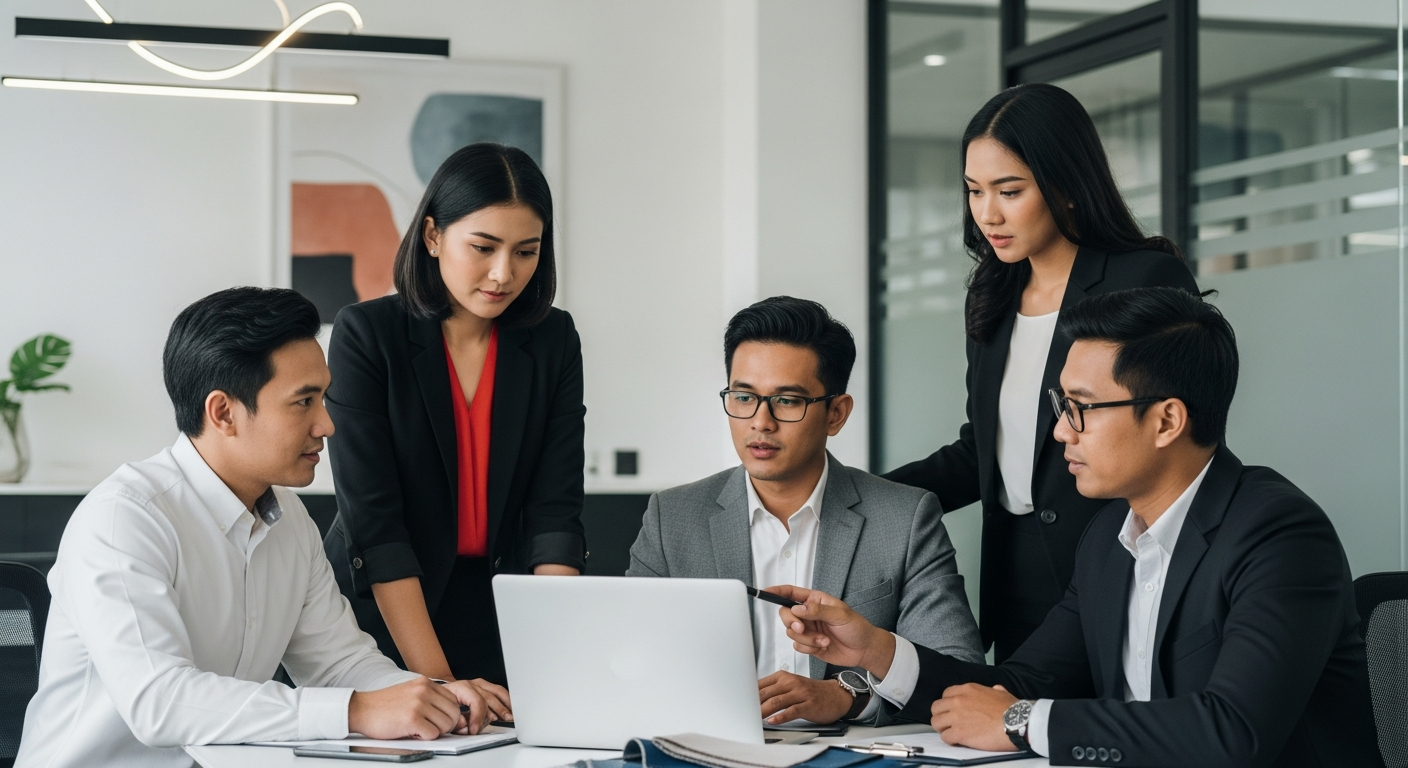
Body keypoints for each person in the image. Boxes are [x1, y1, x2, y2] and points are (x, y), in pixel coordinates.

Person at [770, 287, 1382, 767]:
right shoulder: (1108, 537)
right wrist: (878, 651)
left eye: (1081, 409)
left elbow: (1232, 731)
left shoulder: (1278, 534)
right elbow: (1012, 686)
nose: (1061, 431)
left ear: (1167, 420)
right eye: (1060, 407)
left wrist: (1021, 723)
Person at [15, 288, 497, 768]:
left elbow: (339, 664)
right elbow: (159, 701)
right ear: (223, 412)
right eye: (303, 402)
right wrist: (356, 710)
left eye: (323, 398)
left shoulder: (290, 520)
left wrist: (435, 695)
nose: (327, 425)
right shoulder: (125, 518)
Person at [883, 83, 1199, 661]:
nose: (987, 214)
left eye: (1009, 191)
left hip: (1119, 563)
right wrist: (860, 497)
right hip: (1013, 577)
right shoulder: (993, 292)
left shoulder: (1144, 277)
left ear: (1066, 185)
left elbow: (1175, 440)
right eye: (974, 191)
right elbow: (983, 451)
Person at [627, 297, 982, 726]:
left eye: (788, 401)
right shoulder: (672, 518)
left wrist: (848, 696)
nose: (760, 422)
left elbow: (960, 673)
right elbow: (632, 658)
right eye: (743, 397)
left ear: (836, 413)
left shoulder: (905, 517)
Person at [322, 143, 584, 694]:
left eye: (526, 252)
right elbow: (376, 526)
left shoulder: (554, 339)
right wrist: (439, 685)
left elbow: (553, 515)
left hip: (500, 612)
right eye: (483, 247)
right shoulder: (367, 334)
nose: (502, 273)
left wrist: (557, 655)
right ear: (434, 236)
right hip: (383, 617)